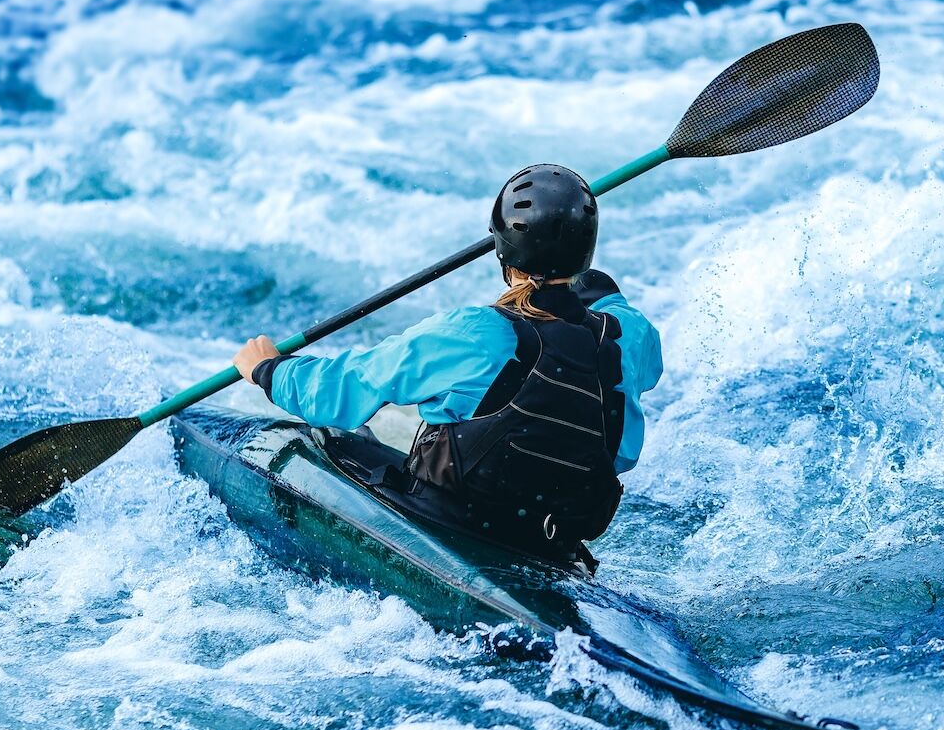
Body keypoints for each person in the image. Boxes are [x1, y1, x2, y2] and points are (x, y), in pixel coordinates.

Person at [234, 164, 662, 564]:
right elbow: (622, 324)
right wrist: (582, 280)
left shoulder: (475, 333)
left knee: (336, 435)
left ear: (503, 252)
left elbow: (344, 391)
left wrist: (270, 370)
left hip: (448, 523)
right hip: (549, 545)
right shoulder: (626, 339)